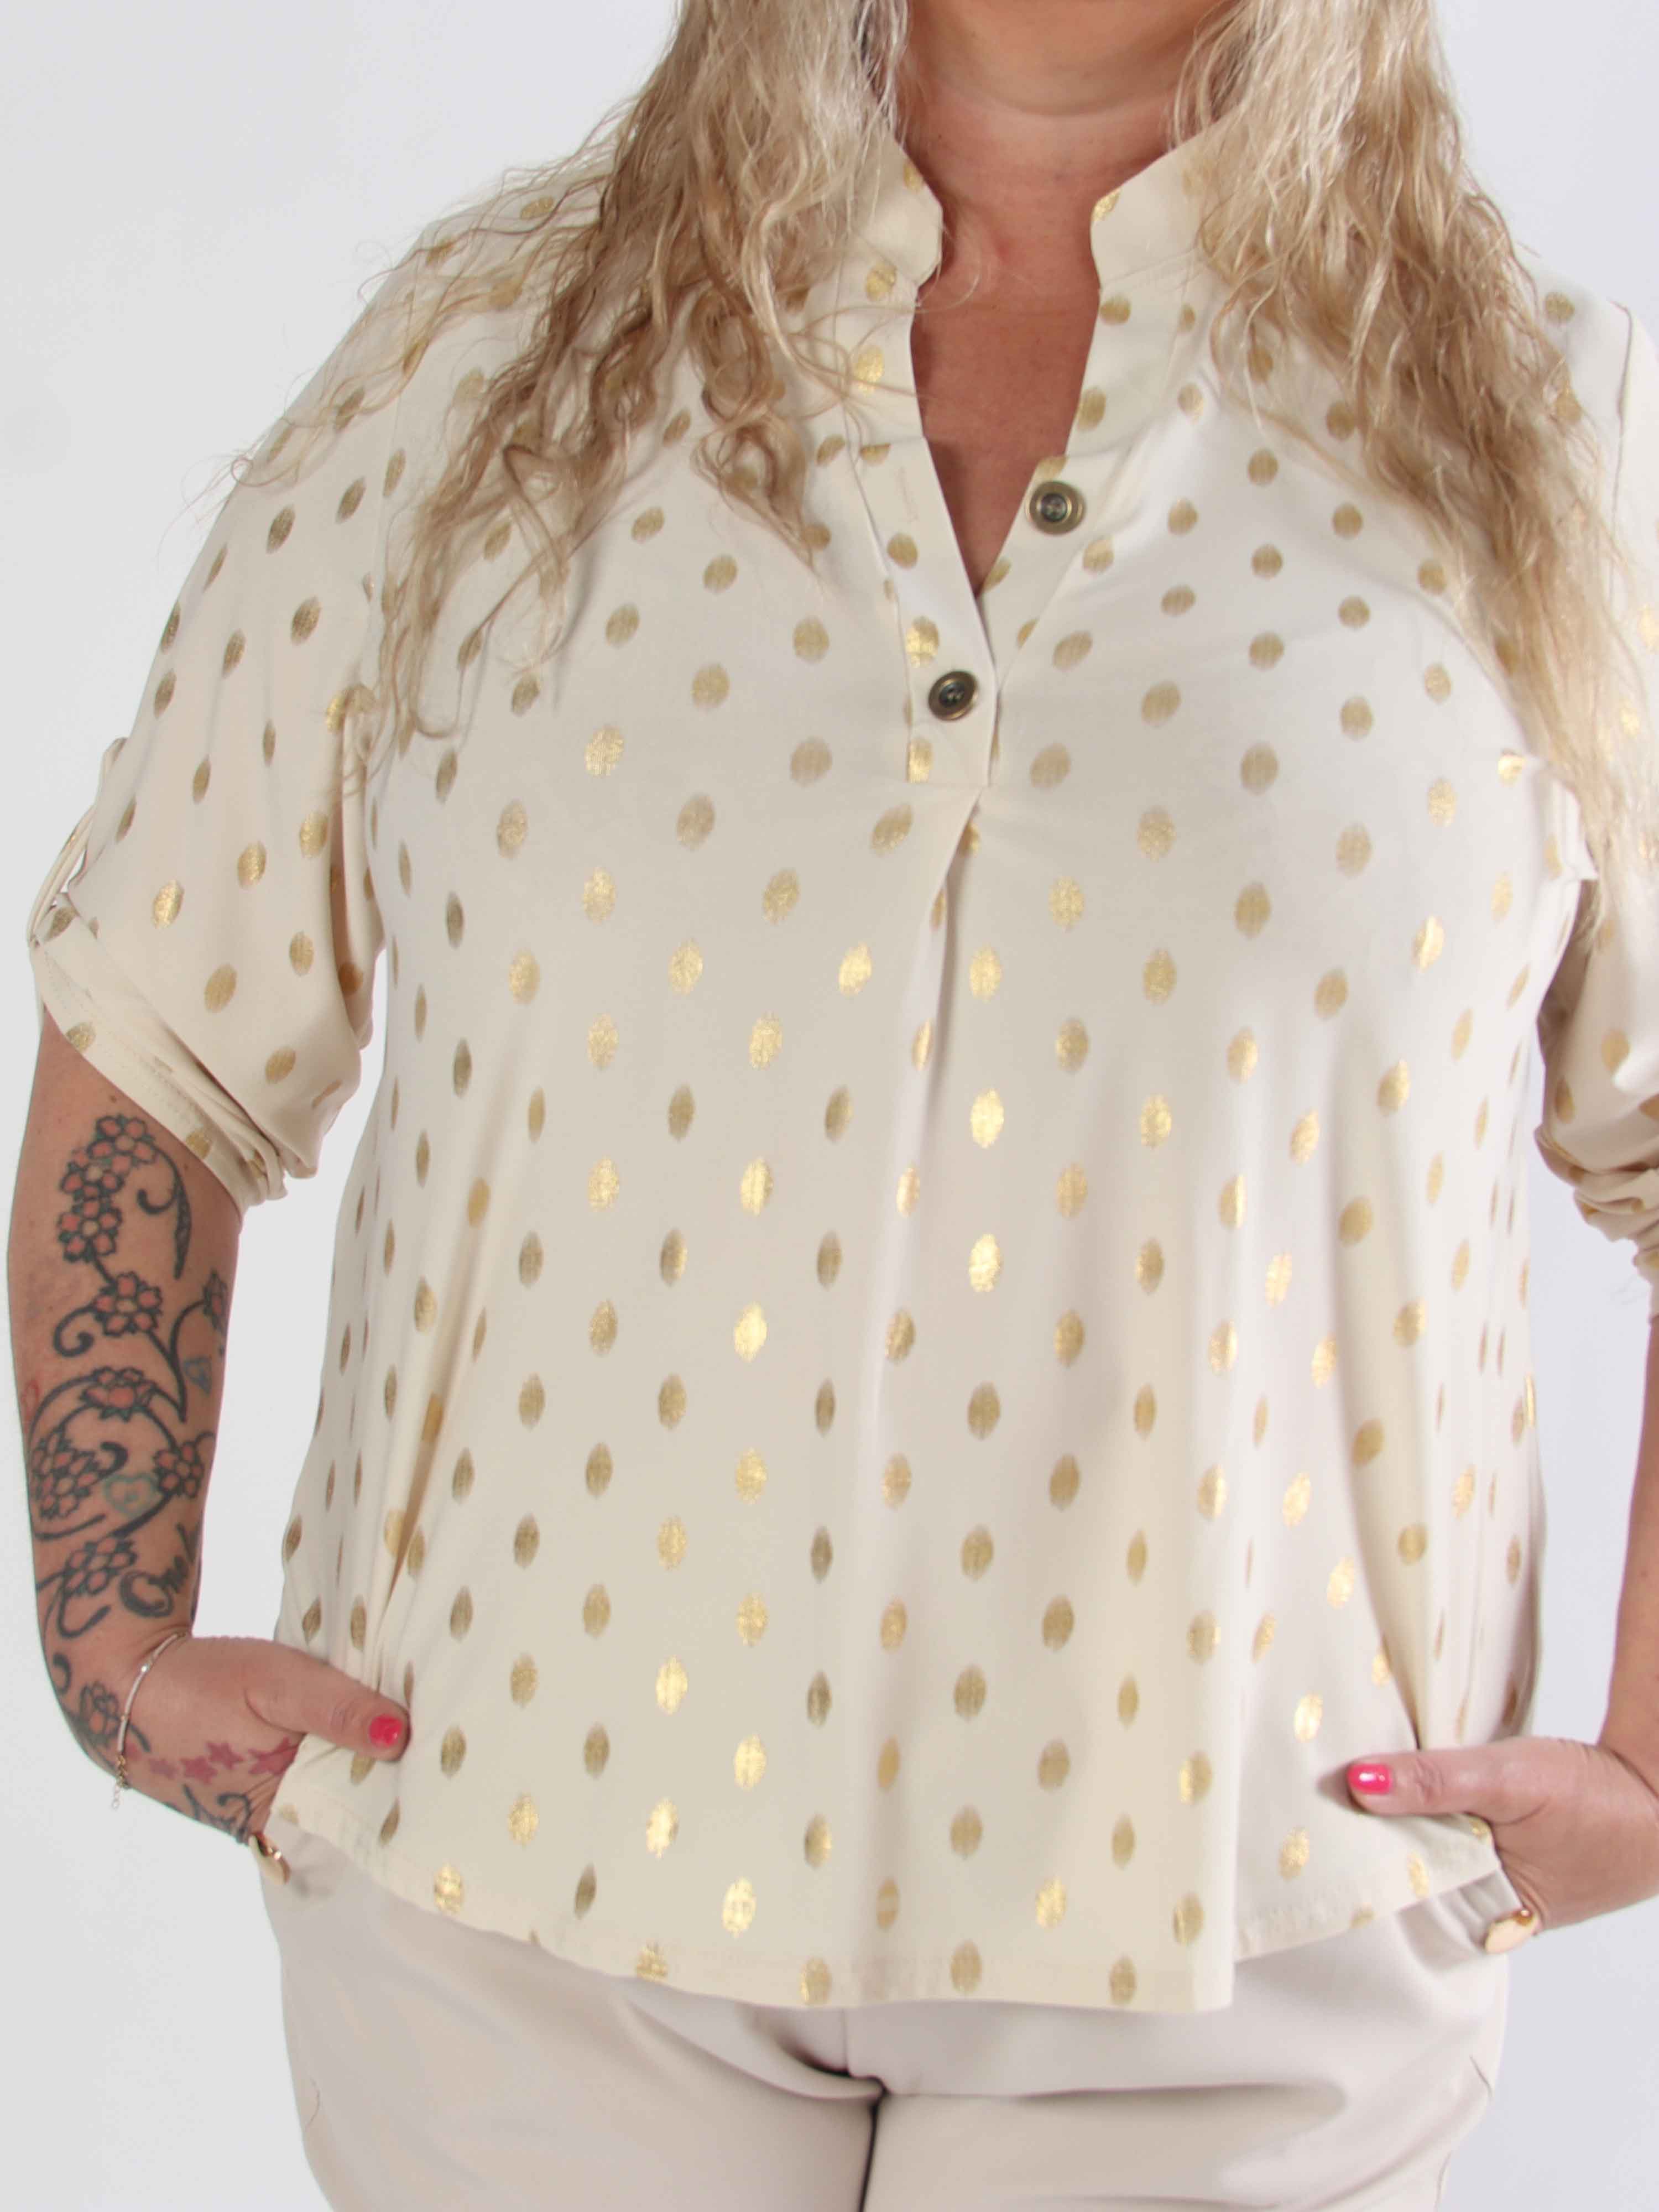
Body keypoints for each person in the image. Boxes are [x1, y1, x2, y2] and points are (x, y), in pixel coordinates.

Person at [14, 0, 1659, 2204]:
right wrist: (112, 1635)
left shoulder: (1548, 433)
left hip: (1246, 1927)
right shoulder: (490, 371)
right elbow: (164, 1006)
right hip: (517, 1897)